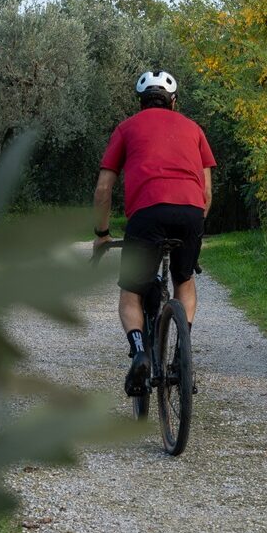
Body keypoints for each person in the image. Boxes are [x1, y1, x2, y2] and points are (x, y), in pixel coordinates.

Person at [92, 70, 215, 397]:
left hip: (146, 215)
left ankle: (140, 353)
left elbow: (104, 188)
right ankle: (181, 356)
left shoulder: (127, 128)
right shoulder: (194, 129)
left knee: (130, 294)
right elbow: (206, 193)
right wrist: (194, 229)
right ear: (173, 102)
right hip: (190, 213)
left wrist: (102, 233)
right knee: (184, 282)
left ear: (141, 102)